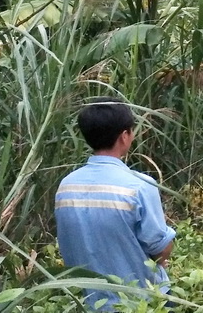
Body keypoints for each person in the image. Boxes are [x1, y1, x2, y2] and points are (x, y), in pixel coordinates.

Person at [55, 97, 176, 311]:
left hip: (89, 302)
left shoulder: (66, 187)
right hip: (142, 301)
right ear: (124, 136)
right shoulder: (139, 185)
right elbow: (160, 247)